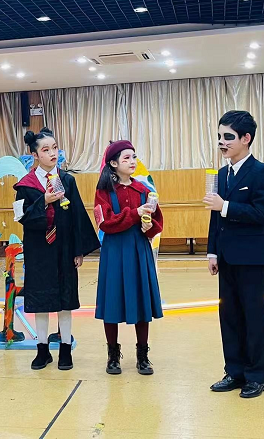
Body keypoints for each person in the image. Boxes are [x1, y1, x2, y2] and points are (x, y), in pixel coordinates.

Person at [204, 110, 264, 399]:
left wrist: (225, 206)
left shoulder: (261, 172)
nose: (222, 142)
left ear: (246, 138)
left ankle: (256, 376)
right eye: (219, 136)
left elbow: (262, 213)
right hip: (226, 258)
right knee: (230, 316)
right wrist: (212, 251)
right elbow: (215, 216)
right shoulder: (221, 174)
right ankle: (234, 372)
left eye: (228, 137)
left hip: (251, 259)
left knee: (254, 317)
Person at [14, 128, 99, 371]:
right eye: (46, 150)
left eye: (54, 148)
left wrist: (78, 250)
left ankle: (65, 349)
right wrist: (44, 201)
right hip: (39, 251)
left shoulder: (67, 180)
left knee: (65, 300)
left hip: (64, 249)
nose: (52, 153)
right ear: (35, 155)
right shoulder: (25, 185)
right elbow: (21, 217)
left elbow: (77, 215)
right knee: (40, 300)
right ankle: (42, 350)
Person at [94, 141, 163, 375]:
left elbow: (157, 221)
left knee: (141, 300)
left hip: (138, 249)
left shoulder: (143, 190)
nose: (132, 161)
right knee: (112, 300)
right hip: (114, 250)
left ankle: (143, 355)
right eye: (126, 158)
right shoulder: (103, 192)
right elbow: (105, 222)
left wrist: (149, 226)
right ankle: (113, 355)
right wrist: (135, 214)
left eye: (134, 156)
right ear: (113, 163)